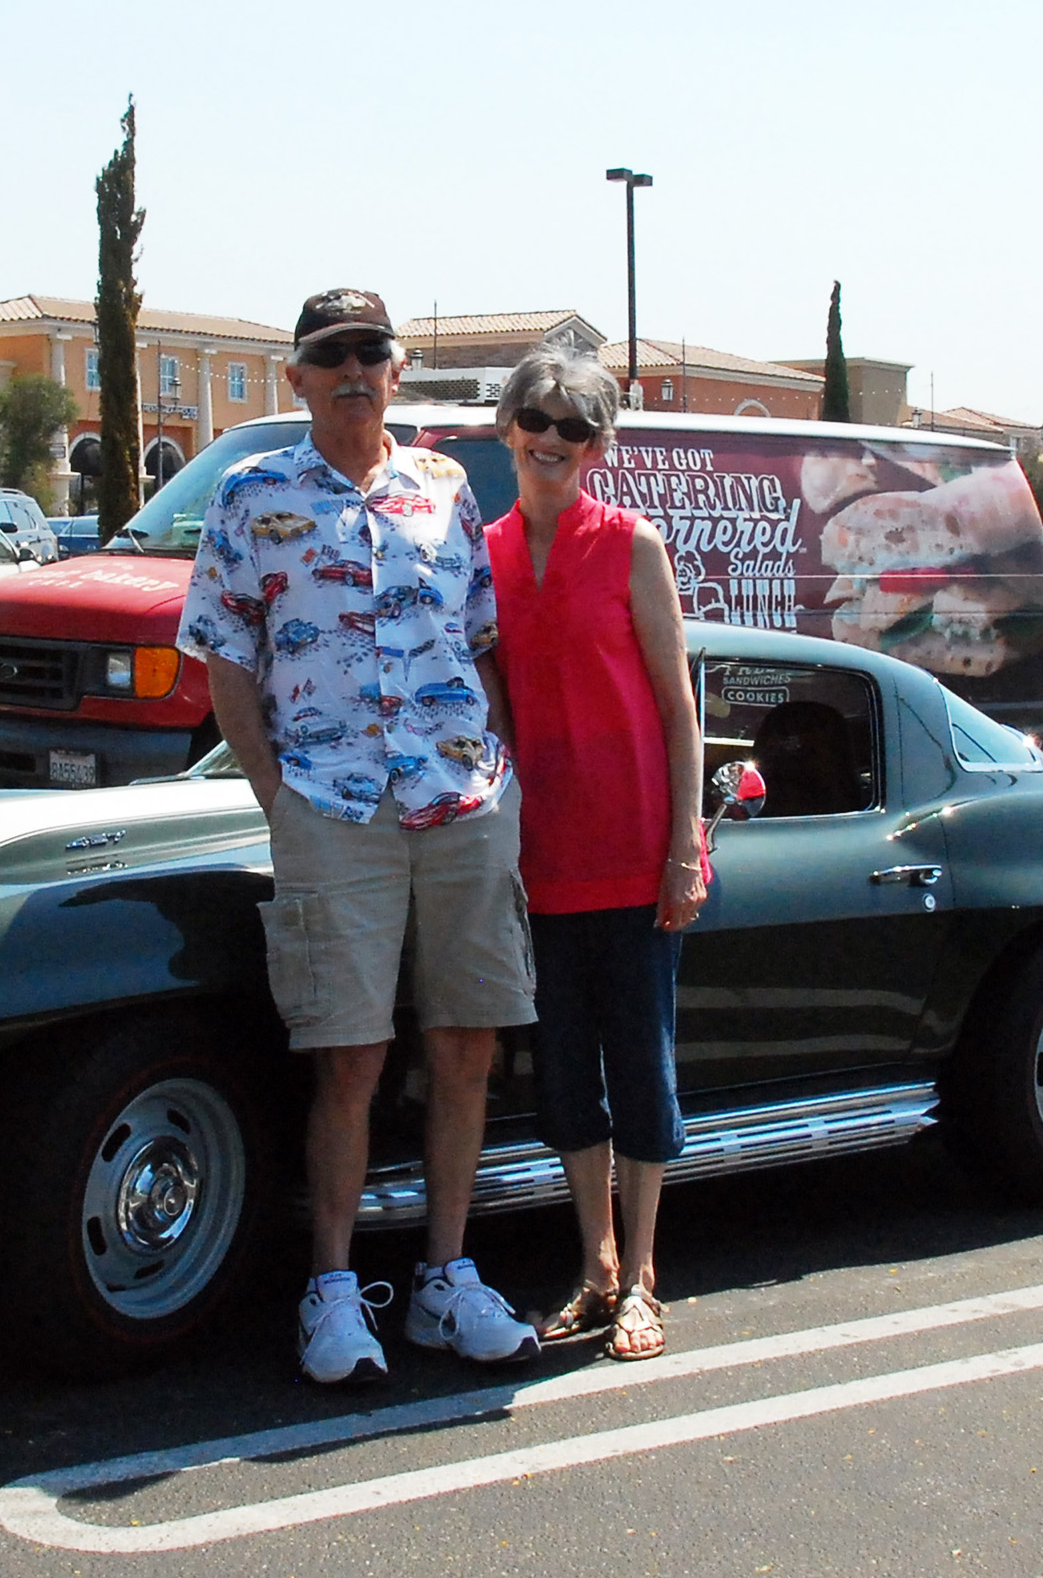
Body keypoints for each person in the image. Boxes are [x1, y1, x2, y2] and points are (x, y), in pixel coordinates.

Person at [178, 288, 540, 1386]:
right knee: (348, 1055)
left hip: (459, 802)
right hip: (331, 807)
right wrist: (272, 791)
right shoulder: (251, 495)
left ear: (395, 370)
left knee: (467, 1044)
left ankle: (445, 1277)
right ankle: (332, 1291)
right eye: (329, 354)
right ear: (297, 377)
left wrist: (501, 771)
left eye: (370, 352)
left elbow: (482, 640)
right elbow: (224, 657)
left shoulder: (444, 490)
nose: (352, 370)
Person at [482, 345, 707, 1362]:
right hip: (538, 858)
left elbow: (679, 708)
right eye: (538, 418)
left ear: (600, 446)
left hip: (632, 849)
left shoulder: (631, 546)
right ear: (507, 429)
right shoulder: (479, 554)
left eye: (577, 426)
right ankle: (597, 1265)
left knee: (641, 1069)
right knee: (566, 1077)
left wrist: (683, 848)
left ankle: (647, 1275)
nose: (554, 439)